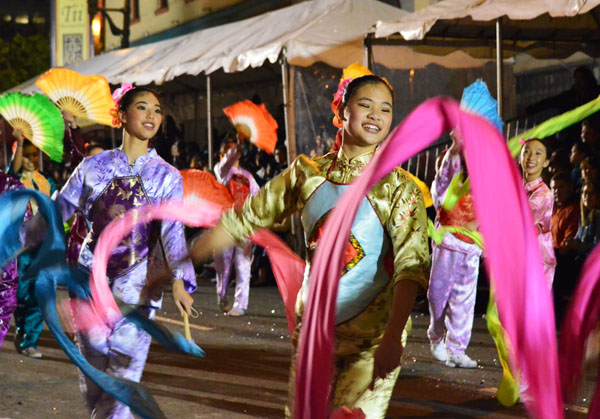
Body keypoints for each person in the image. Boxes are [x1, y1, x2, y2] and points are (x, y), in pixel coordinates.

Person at [189, 74, 429, 418]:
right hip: (314, 337)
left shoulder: (398, 187)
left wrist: (392, 339)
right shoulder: (307, 174)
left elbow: (412, 265)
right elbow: (243, 220)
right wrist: (182, 262)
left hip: (371, 342)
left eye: (386, 109)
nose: (376, 115)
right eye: (365, 105)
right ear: (342, 111)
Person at [55, 85, 195, 418]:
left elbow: (172, 230)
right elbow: (58, 210)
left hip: (139, 290)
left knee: (122, 387)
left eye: (158, 110)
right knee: (97, 388)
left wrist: (179, 279)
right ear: (121, 116)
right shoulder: (92, 168)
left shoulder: (167, 177)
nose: (152, 116)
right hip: (90, 285)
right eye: (143, 107)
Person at [427, 136, 481, 369]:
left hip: (471, 248)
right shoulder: (451, 175)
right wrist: (457, 146)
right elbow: (443, 182)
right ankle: (436, 334)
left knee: (464, 300)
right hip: (447, 244)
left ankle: (457, 349)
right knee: (438, 297)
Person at [8, 129, 58, 359]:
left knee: (41, 292)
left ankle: (31, 340)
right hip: (21, 244)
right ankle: (21, 329)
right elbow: (13, 170)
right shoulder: (15, 181)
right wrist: (18, 141)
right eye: (25, 155)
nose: (30, 159)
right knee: (20, 293)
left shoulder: (47, 181)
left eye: (32, 154)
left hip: (44, 243)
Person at [213, 140, 259, 316]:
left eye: (235, 150)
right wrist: (235, 146)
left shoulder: (248, 176)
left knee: (243, 265)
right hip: (225, 224)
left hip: (244, 225)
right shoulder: (221, 170)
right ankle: (222, 295)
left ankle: (240, 304)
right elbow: (226, 164)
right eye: (227, 150)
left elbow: (257, 196)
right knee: (223, 266)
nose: (232, 153)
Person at [519, 138, 556, 285]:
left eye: (538, 153)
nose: (531, 157)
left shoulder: (544, 194)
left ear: (546, 162)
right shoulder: (518, 188)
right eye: (526, 152)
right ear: (520, 158)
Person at [549, 172, 580, 323]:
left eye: (561, 187)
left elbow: (569, 239)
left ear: (569, 188)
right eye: (554, 188)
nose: (557, 191)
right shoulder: (553, 209)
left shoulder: (574, 209)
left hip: (565, 256)